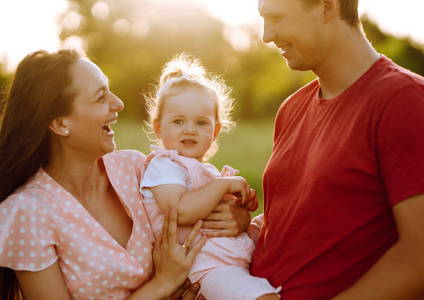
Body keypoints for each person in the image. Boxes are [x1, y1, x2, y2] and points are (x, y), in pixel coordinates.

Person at [0, 49, 251, 300]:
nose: (118, 103)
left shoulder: (133, 167)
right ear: (60, 123)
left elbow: (192, 201)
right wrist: (161, 285)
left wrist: (237, 218)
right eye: (101, 97)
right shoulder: (27, 212)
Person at [251, 0, 424, 299]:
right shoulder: (291, 109)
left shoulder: (403, 99)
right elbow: (310, 221)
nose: (266, 35)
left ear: (327, 7)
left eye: (277, 17)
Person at [140, 54, 281, 300]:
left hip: (225, 257)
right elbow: (180, 210)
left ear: (215, 131)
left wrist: (242, 205)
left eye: (201, 123)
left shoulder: (203, 171)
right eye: (178, 121)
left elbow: (214, 210)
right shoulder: (164, 166)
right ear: (158, 127)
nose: (190, 129)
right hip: (204, 269)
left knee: (280, 224)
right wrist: (223, 184)